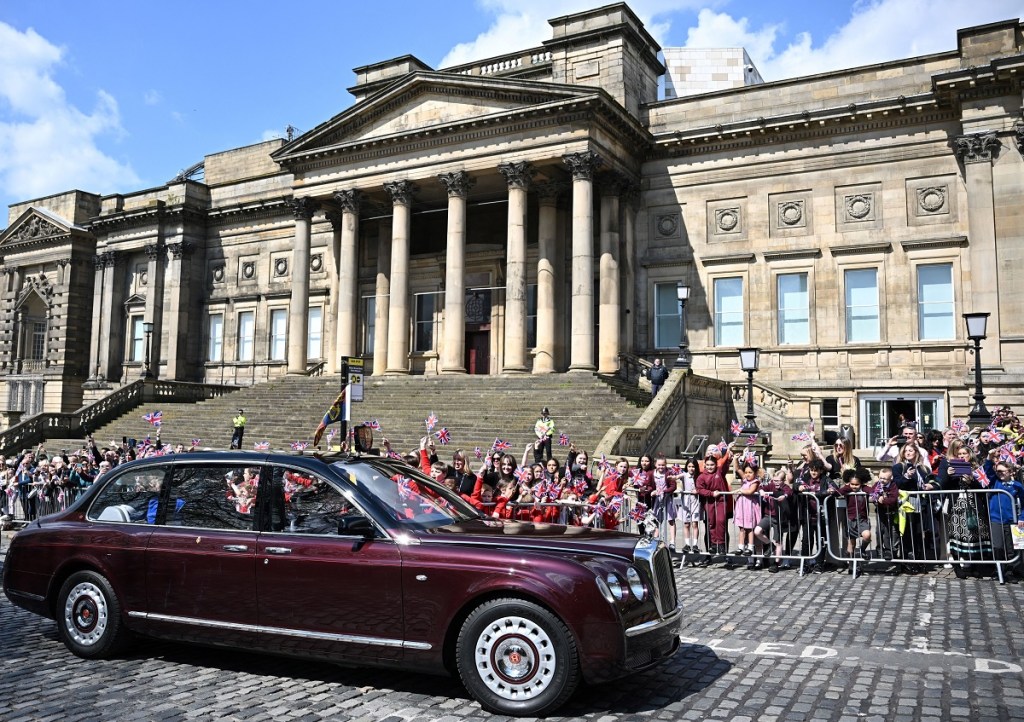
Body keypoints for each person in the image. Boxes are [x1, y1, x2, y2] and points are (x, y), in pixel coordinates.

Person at [988, 461, 1024, 581]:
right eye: (998, 471)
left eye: (1002, 471)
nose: (1000, 473)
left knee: (1011, 548)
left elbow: (1023, 503)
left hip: (1011, 520)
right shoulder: (995, 482)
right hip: (996, 519)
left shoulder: (1017, 485)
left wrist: (1022, 518)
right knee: (998, 546)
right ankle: (999, 569)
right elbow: (988, 471)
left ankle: (1010, 571)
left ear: (1010, 471)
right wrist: (989, 457)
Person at [676, 458, 702, 554]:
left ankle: (695, 544)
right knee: (686, 524)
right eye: (689, 466)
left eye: (693, 466)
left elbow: (702, 487)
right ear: (686, 467)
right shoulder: (684, 475)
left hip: (695, 501)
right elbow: (676, 477)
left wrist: (698, 490)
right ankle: (687, 544)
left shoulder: (699, 476)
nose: (691, 468)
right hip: (686, 502)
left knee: (695, 523)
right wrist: (672, 477)